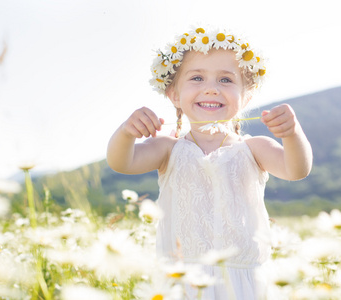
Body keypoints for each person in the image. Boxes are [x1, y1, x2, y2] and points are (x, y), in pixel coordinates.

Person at [107, 27, 313, 299]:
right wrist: (126, 133)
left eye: (226, 80)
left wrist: (292, 133)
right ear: (175, 96)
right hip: (183, 281)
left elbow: (296, 169)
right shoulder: (168, 149)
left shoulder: (254, 148)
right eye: (197, 77)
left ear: (246, 98)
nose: (212, 88)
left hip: (243, 281)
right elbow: (122, 162)